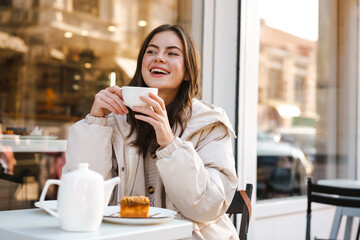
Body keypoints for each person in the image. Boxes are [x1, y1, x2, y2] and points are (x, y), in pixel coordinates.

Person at [63, 24, 239, 240]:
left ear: (187, 72)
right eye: (151, 51)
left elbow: (205, 207)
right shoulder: (113, 119)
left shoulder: (209, 124)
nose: (159, 58)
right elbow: (82, 199)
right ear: (142, 64)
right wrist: (95, 122)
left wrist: (169, 142)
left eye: (172, 53)